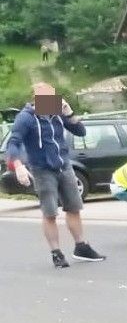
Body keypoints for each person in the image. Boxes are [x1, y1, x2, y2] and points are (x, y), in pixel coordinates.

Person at [7, 83, 105, 268]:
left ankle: (81, 246)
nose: (51, 102)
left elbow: (80, 131)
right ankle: (56, 252)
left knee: (74, 207)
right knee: (50, 212)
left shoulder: (58, 114)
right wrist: (18, 165)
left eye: (52, 98)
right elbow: (14, 142)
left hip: (64, 166)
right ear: (36, 100)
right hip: (42, 169)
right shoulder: (26, 118)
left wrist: (68, 112)